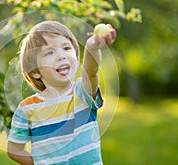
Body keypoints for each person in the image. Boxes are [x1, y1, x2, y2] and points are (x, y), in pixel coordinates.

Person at [7, 21, 116, 165]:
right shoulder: (27, 110)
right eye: (49, 52)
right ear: (35, 72)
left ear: (76, 58)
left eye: (66, 48)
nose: (61, 56)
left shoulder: (82, 93)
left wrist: (92, 47)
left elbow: (91, 72)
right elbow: (14, 149)